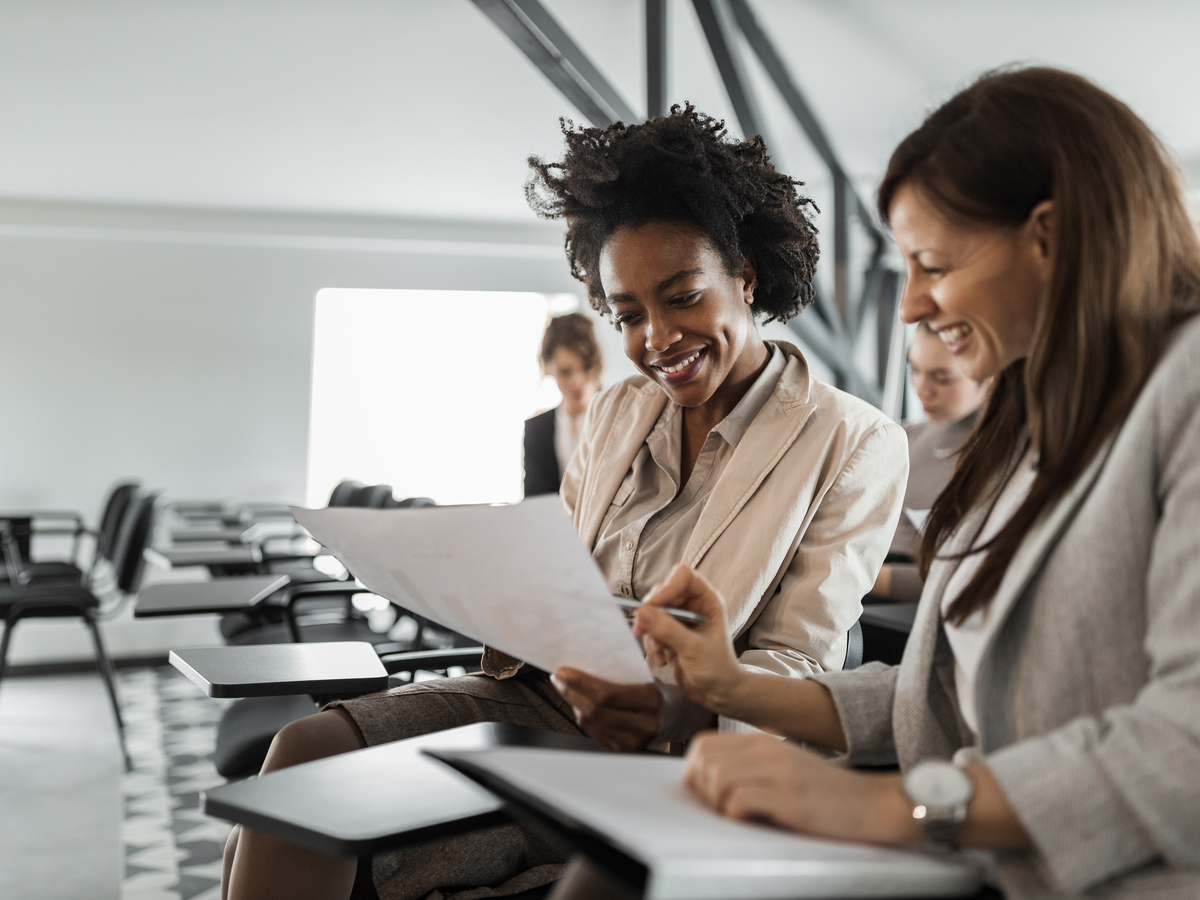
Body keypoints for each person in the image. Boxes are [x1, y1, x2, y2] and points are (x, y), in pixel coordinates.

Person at [222, 105, 908, 900]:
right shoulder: (619, 412)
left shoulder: (852, 440)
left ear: (746, 277)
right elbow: (566, 591)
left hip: (684, 749)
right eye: (627, 315)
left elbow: (800, 662)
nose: (656, 338)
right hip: (544, 698)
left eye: (683, 297)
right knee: (302, 753)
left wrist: (674, 711)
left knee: (338, 813)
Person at [633, 67, 1200, 900]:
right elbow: (952, 691)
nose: (910, 307)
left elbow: (1185, 747)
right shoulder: (1030, 418)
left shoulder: (1184, 391)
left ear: (1052, 235)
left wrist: (897, 808)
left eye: (931, 264)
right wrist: (733, 685)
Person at [870, 322, 990, 601]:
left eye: (942, 378)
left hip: (896, 610)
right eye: (915, 370)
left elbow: (971, 580)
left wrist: (857, 578)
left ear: (989, 375)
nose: (922, 390)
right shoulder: (901, 436)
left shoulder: (1003, 457)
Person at [523, 312, 602, 496]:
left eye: (586, 368)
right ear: (548, 367)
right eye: (565, 372)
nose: (577, 381)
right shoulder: (537, 430)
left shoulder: (621, 419)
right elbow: (534, 500)